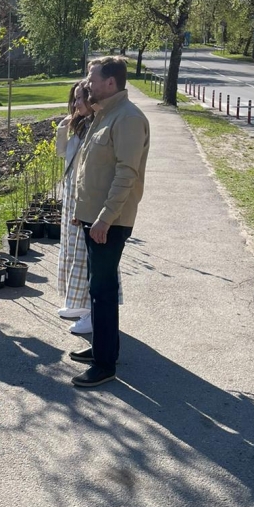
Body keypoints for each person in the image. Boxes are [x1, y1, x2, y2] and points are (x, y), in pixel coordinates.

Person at [69, 57, 149, 388]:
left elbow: (126, 174)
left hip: (110, 221)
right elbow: (92, 169)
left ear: (111, 82)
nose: (88, 84)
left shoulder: (128, 118)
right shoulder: (104, 114)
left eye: (92, 78)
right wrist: (82, 210)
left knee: (102, 291)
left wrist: (103, 218)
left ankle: (104, 365)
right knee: (98, 287)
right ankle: (104, 348)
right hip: (95, 218)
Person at [56, 82, 123, 337]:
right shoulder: (82, 125)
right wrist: (64, 128)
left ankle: (91, 313)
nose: (76, 104)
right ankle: (80, 304)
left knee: (87, 255)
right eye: (74, 99)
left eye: (80, 99)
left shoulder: (98, 126)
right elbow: (63, 155)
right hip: (73, 195)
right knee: (73, 250)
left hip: (86, 199)